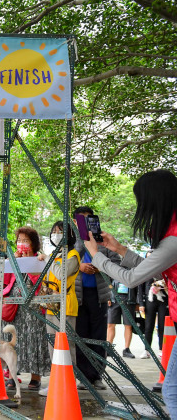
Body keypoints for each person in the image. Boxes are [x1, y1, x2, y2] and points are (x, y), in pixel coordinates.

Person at [85, 169, 177, 416]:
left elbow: (132, 278)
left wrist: (96, 255)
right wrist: (119, 249)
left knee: (172, 391)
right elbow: (152, 270)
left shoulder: (173, 239)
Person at [73, 206, 119, 390]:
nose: (85, 223)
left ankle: (97, 375)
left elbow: (117, 262)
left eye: (88, 219)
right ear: (75, 222)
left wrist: (101, 266)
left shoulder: (103, 240)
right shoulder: (70, 240)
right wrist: (79, 267)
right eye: (81, 219)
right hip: (77, 296)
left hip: (99, 296)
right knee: (80, 335)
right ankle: (83, 377)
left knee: (99, 336)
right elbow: (60, 262)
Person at [38, 221, 80, 397]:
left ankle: (70, 383)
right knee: (52, 346)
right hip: (51, 304)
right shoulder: (54, 255)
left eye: (60, 231)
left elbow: (62, 274)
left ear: (69, 235)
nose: (56, 234)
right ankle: (55, 383)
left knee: (66, 346)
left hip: (66, 305)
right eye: (54, 231)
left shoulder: (73, 255)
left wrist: (47, 259)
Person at [10, 226, 51, 390]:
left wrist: (30, 262)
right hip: (17, 310)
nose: (21, 243)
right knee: (16, 341)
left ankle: (36, 377)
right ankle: (12, 375)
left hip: (35, 311)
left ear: (33, 243)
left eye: (25, 240)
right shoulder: (14, 259)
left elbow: (40, 283)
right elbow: (6, 281)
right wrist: (13, 262)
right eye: (19, 240)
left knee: (35, 341)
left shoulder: (39, 259)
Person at [140, 253, 168, 358]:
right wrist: (141, 303)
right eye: (148, 256)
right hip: (149, 300)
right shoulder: (145, 269)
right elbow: (140, 288)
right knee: (148, 326)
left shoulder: (163, 267)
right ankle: (147, 350)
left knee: (162, 325)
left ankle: (162, 349)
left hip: (163, 299)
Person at [107, 280, 141, 358]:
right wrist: (108, 297)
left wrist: (138, 302)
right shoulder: (114, 272)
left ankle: (126, 349)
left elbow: (138, 286)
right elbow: (107, 281)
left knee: (128, 325)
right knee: (110, 324)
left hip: (129, 300)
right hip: (114, 299)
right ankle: (108, 347)